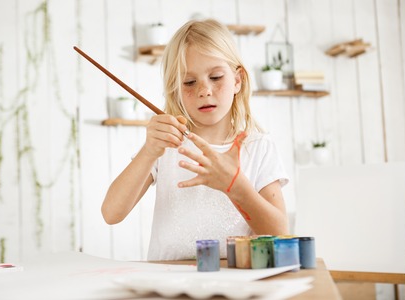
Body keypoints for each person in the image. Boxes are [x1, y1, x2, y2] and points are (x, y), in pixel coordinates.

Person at [101, 18, 289, 261]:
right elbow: (111, 214)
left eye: (216, 77)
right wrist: (149, 151)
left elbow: (280, 234)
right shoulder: (166, 144)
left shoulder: (258, 147)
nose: (204, 90)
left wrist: (235, 185)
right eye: (189, 82)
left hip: (233, 283)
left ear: (237, 80)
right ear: (175, 89)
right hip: (169, 284)